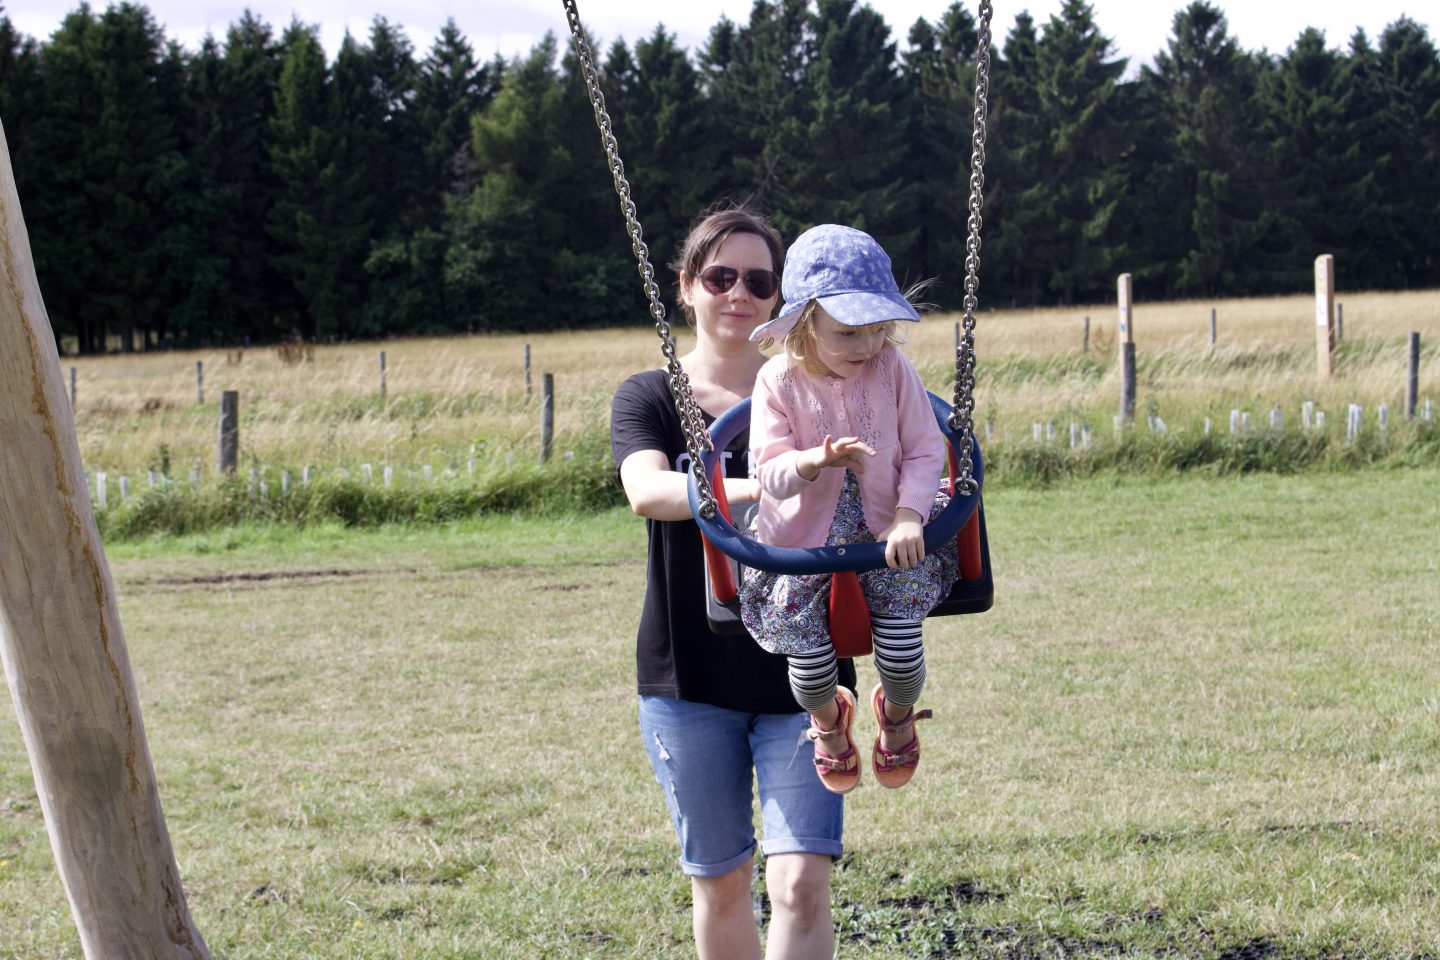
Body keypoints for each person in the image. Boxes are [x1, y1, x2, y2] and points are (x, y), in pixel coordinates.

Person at [610, 208, 855, 960]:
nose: (738, 293)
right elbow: (648, 492)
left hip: (804, 670)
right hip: (690, 675)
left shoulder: (818, 394)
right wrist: (764, 483)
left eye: (758, 279)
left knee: (799, 883)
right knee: (722, 883)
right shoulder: (650, 395)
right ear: (688, 289)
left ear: (779, 298)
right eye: (720, 276)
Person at [740, 224, 958, 795]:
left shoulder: (891, 369)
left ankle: (898, 713)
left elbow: (926, 447)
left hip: (888, 531)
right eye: (849, 333)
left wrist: (912, 513)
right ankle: (829, 722)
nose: (867, 346)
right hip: (801, 542)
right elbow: (767, 474)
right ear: (806, 322)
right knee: (809, 676)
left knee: (904, 660)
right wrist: (813, 460)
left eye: (879, 330)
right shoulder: (776, 382)